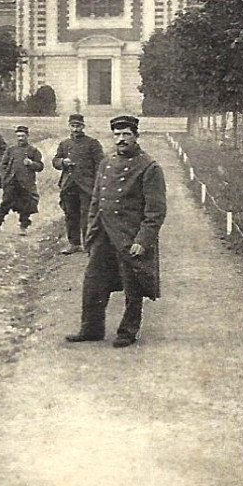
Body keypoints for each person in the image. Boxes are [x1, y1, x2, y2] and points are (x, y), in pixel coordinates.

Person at [67, 115, 165, 348]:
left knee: (133, 286)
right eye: (117, 135)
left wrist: (143, 240)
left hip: (130, 237)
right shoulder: (105, 163)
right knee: (93, 281)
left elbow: (156, 211)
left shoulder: (149, 167)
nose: (121, 139)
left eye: (126, 134)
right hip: (104, 234)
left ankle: (128, 331)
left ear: (136, 136)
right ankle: (91, 328)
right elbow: (95, 201)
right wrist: (91, 234)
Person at [53, 114, 105, 255]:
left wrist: (97, 185)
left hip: (86, 186)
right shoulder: (64, 144)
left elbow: (100, 165)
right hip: (69, 185)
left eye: (78, 126)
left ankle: (89, 245)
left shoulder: (92, 143)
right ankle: (74, 244)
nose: (75, 129)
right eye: (73, 126)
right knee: (70, 214)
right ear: (69, 126)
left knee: (87, 215)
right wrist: (62, 162)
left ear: (83, 127)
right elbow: (55, 161)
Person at [0, 125, 45, 233]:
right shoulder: (11, 149)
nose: (20, 138)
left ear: (27, 136)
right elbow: (3, 164)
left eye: (23, 136)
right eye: (18, 136)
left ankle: (23, 227)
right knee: (5, 203)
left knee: (26, 205)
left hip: (26, 182)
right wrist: (4, 176)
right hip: (12, 181)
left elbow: (40, 166)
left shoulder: (33, 151)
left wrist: (31, 163)